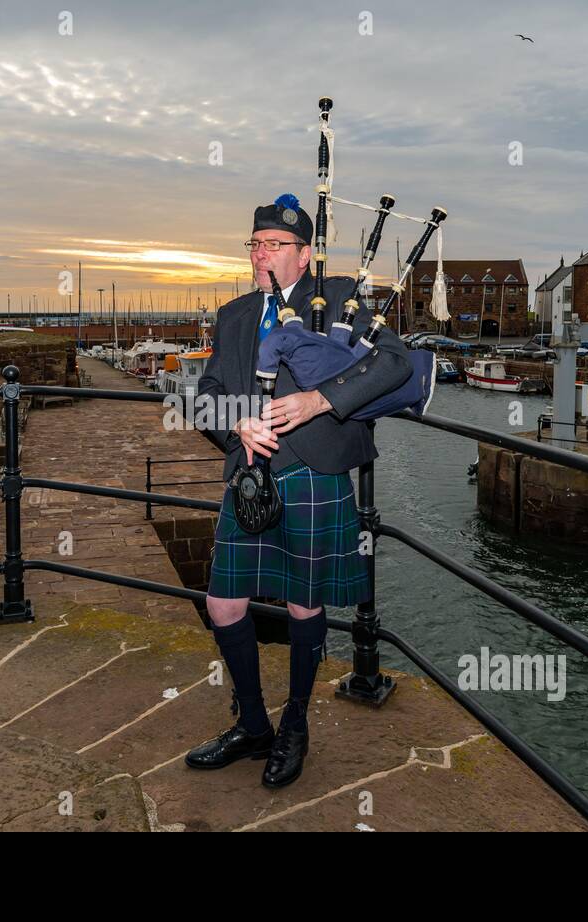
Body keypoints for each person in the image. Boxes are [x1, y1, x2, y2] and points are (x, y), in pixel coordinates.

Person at [185, 193, 411, 788]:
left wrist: (321, 399)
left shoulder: (339, 298)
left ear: (305, 253)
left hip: (314, 470)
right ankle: (254, 723)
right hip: (251, 473)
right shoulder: (234, 315)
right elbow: (204, 396)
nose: (262, 255)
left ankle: (296, 725)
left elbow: (395, 364)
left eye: (276, 245)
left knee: (302, 605)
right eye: (255, 245)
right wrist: (235, 420)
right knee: (222, 604)